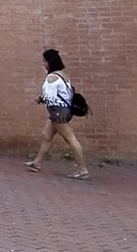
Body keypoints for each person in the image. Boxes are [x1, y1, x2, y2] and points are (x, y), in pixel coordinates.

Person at [24, 49, 90, 180]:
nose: (44, 64)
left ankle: (83, 170)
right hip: (65, 110)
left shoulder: (51, 77)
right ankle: (36, 163)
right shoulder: (62, 75)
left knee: (70, 139)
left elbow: (51, 98)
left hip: (57, 111)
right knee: (46, 135)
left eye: (45, 61)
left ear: (50, 62)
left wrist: (41, 99)